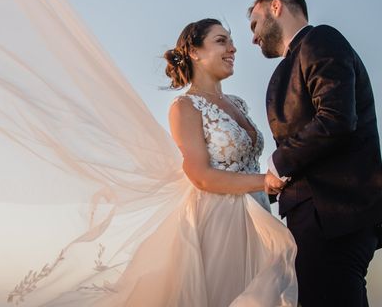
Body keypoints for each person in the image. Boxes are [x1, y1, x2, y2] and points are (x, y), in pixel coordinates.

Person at [95, 18, 298, 306]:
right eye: (221, 41)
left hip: (257, 215)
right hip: (220, 221)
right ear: (195, 52)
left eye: (231, 41)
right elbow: (199, 174)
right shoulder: (185, 107)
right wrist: (264, 181)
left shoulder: (239, 103)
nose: (233, 48)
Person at [249, 0, 382, 307]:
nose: (252, 37)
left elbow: (336, 118)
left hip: (335, 212)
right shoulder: (292, 62)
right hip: (316, 215)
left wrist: (279, 164)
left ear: (275, 7)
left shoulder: (320, 39)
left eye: (254, 23)